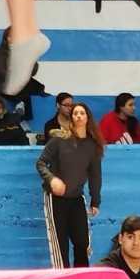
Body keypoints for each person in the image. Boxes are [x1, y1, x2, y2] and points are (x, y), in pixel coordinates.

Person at [37, 102, 104, 268]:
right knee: (61, 246)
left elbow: (95, 175)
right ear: (72, 118)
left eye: (82, 113)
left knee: (82, 242)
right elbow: (41, 163)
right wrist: (51, 179)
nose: (79, 116)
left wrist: (95, 200)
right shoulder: (59, 140)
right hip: (56, 198)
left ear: (88, 117)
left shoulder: (92, 146)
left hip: (76, 198)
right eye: (75, 113)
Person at [0, 27, 38, 120]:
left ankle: (22, 115)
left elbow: (33, 71)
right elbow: (1, 72)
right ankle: (19, 112)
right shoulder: (0, 53)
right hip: (2, 87)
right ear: (8, 38)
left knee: (32, 83)